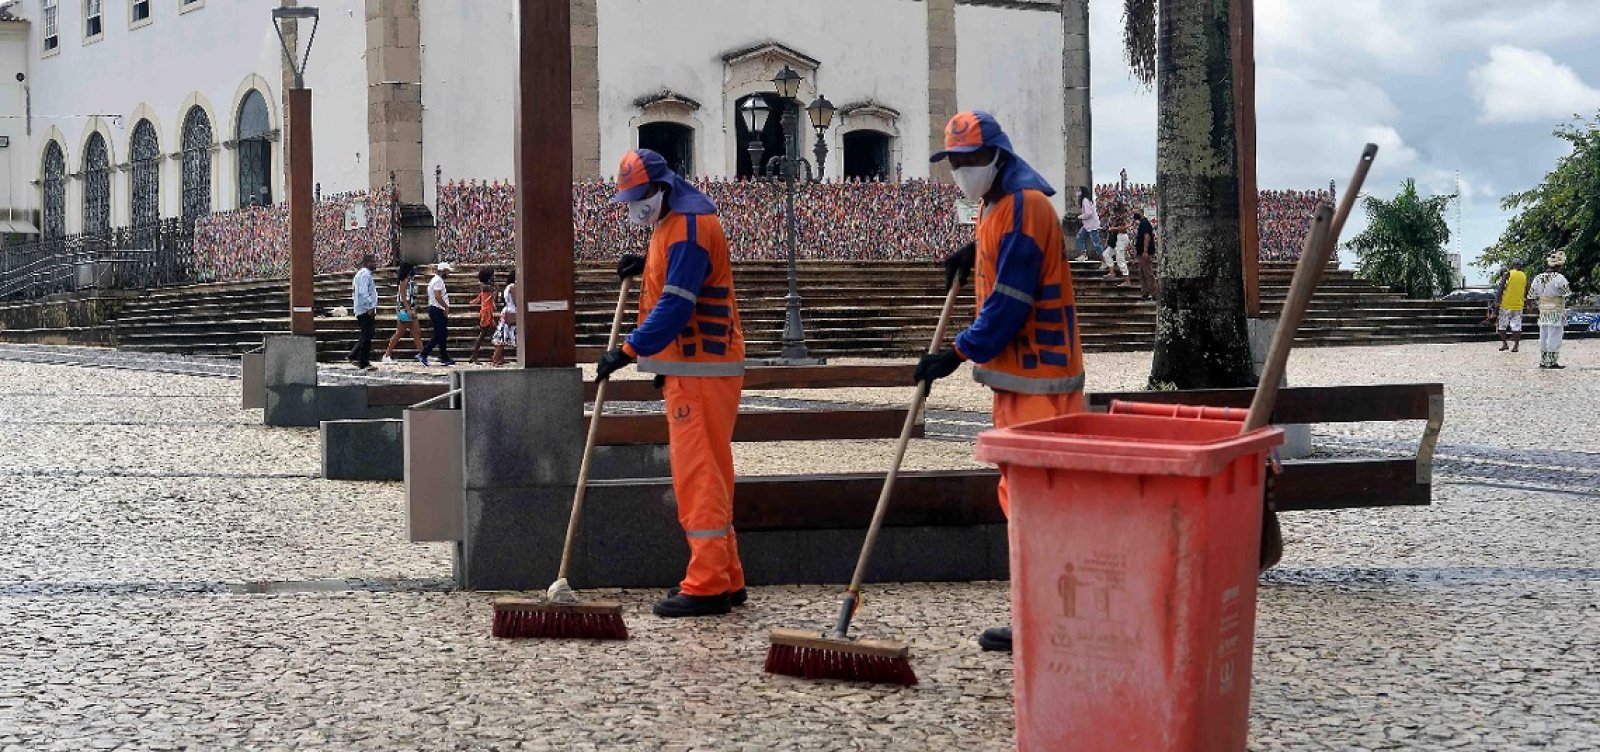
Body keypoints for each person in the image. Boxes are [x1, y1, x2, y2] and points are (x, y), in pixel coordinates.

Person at [921, 111, 1087, 653]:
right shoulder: (999, 207)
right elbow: (1007, 264)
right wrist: (975, 253)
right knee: (1023, 499)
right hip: (1021, 382)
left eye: (971, 161)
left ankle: (1045, 619)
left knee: (1039, 506)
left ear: (998, 155)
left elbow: (1012, 301)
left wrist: (955, 353)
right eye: (955, 163)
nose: (962, 171)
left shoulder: (1023, 207)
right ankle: (1041, 612)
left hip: (1038, 383)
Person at [595, 148, 748, 618]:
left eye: (637, 197)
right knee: (712, 472)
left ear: (660, 187)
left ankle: (705, 585)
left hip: (700, 368)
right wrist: (643, 266)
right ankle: (727, 575)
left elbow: (677, 305)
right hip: (696, 366)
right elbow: (672, 280)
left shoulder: (688, 228)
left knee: (697, 474)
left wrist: (626, 350)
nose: (632, 205)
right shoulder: (674, 222)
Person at [1529, 253, 1572, 369]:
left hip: (1543, 310)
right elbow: (1566, 293)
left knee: (1543, 335)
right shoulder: (1560, 278)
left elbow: (1531, 294)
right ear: (1559, 266)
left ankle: (1543, 360)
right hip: (1555, 310)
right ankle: (1552, 361)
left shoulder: (1538, 278)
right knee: (1555, 335)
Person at [382, 262, 424, 364]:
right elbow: (403, 297)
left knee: (416, 333)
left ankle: (423, 354)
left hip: (411, 310)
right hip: (405, 311)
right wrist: (408, 309)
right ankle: (387, 354)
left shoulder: (410, 281)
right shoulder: (404, 281)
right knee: (399, 333)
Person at [418, 262, 456, 367]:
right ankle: (424, 354)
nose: (448, 274)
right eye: (447, 271)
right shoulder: (438, 281)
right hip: (437, 309)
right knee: (439, 334)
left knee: (442, 334)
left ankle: (444, 357)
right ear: (443, 271)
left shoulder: (435, 280)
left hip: (435, 309)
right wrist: (446, 306)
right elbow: (438, 296)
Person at [348, 254, 378, 371]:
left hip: (361, 308)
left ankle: (354, 355)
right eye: (373, 262)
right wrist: (370, 306)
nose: (375, 264)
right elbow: (363, 292)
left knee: (367, 334)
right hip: (365, 309)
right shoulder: (365, 274)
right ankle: (363, 362)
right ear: (367, 263)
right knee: (367, 335)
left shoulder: (360, 274)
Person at [1496, 259, 1528, 353]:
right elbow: (1527, 289)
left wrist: (1497, 301)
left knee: (1502, 326)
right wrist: (1528, 302)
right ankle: (1516, 346)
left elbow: (1501, 288)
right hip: (1518, 305)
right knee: (1517, 326)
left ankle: (1505, 344)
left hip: (1506, 304)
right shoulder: (1524, 275)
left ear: (1512, 265)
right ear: (1520, 266)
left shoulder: (1507, 274)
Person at [468, 268, 497, 365]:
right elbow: (494, 291)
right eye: (492, 275)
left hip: (488, 312)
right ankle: (475, 356)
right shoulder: (485, 286)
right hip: (486, 313)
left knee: (495, 333)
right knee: (483, 334)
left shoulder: (486, 286)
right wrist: (494, 286)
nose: (494, 277)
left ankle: (497, 355)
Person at [491, 269, 517, 367]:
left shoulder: (507, 287)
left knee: (503, 337)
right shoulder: (513, 287)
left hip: (507, 312)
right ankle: (496, 357)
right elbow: (516, 301)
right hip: (512, 312)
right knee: (503, 337)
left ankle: (497, 357)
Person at [1133, 208, 1159, 300]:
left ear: (1141, 213)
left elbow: (1146, 237)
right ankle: (1145, 292)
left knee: (1148, 273)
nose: (1134, 214)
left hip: (1145, 253)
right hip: (1142, 253)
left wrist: (1145, 251)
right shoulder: (1142, 223)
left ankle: (1155, 293)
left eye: (1136, 212)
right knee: (1142, 273)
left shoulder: (1144, 223)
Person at [1075, 186, 1104, 261]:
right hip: (1088, 225)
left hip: (1092, 225)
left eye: (1079, 191)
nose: (1077, 193)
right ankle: (1083, 255)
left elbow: (1088, 213)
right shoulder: (1086, 200)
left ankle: (1104, 259)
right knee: (1080, 237)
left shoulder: (1085, 200)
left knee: (1096, 243)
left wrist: (1080, 217)